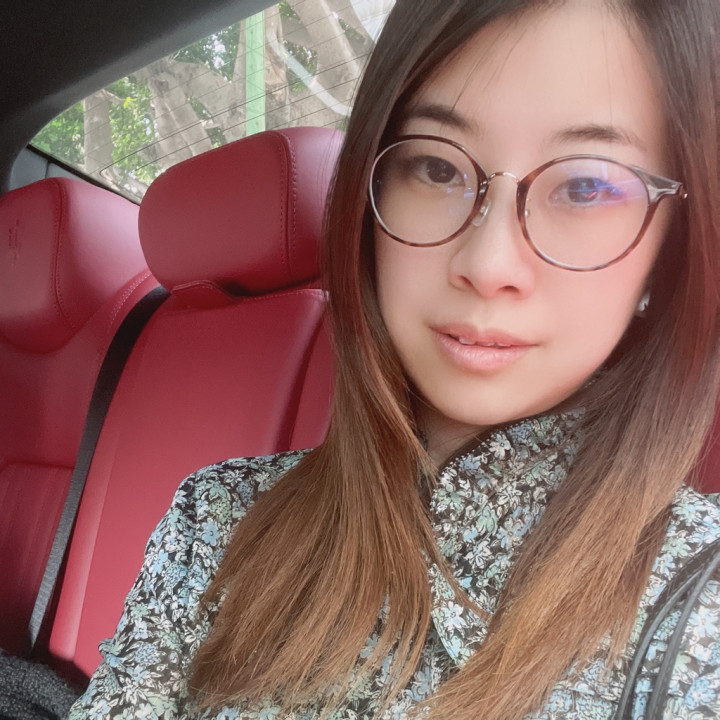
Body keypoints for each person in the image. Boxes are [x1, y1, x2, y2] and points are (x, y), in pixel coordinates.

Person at [68, 0, 720, 718]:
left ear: (675, 241)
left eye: (587, 186)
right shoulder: (217, 518)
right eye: (436, 167)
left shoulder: (700, 602)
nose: (488, 263)